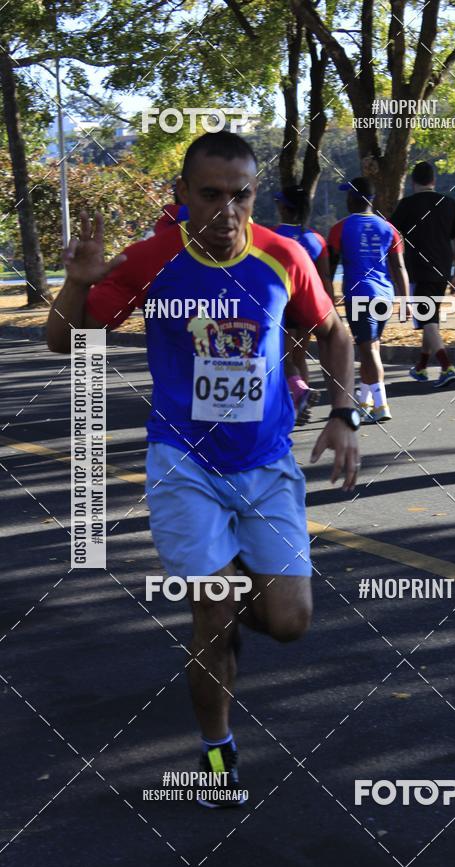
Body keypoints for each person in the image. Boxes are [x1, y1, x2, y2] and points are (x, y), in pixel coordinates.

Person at [46, 131, 360, 807]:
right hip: (183, 462)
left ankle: (236, 577)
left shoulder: (281, 255)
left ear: (255, 193)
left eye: (240, 194)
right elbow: (63, 343)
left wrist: (345, 413)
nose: (226, 210)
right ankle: (218, 751)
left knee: (290, 623)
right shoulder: (153, 259)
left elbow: (334, 330)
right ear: (182, 195)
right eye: (210, 195)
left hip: (267, 463)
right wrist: (77, 285)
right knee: (212, 619)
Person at [328, 176, 409, 423]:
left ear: (354, 198)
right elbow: (399, 268)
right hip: (385, 295)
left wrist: (329, 304)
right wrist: (406, 302)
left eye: (347, 195)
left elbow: (327, 272)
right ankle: (364, 403)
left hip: (359, 294)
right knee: (370, 347)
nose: (345, 199)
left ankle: (381, 404)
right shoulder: (389, 228)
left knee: (367, 350)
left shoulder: (339, 228)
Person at [390, 161, 455, 388]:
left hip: (418, 270)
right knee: (430, 318)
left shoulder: (406, 205)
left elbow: (390, 235)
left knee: (427, 319)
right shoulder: (449, 204)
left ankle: (446, 366)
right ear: (434, 180)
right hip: (443, 267)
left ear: (413, 182)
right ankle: (421, 367)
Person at [273, 184, 334, 423]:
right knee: (299, 357)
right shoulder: (316, 239)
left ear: (285, 209)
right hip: (309, 307)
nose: (277, 206)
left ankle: (299, 394)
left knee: (282, 359)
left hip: (284, 306)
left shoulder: (274, 235)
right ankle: (301, 405)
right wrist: (330, 312)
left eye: (279, 202)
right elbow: (325, 277)